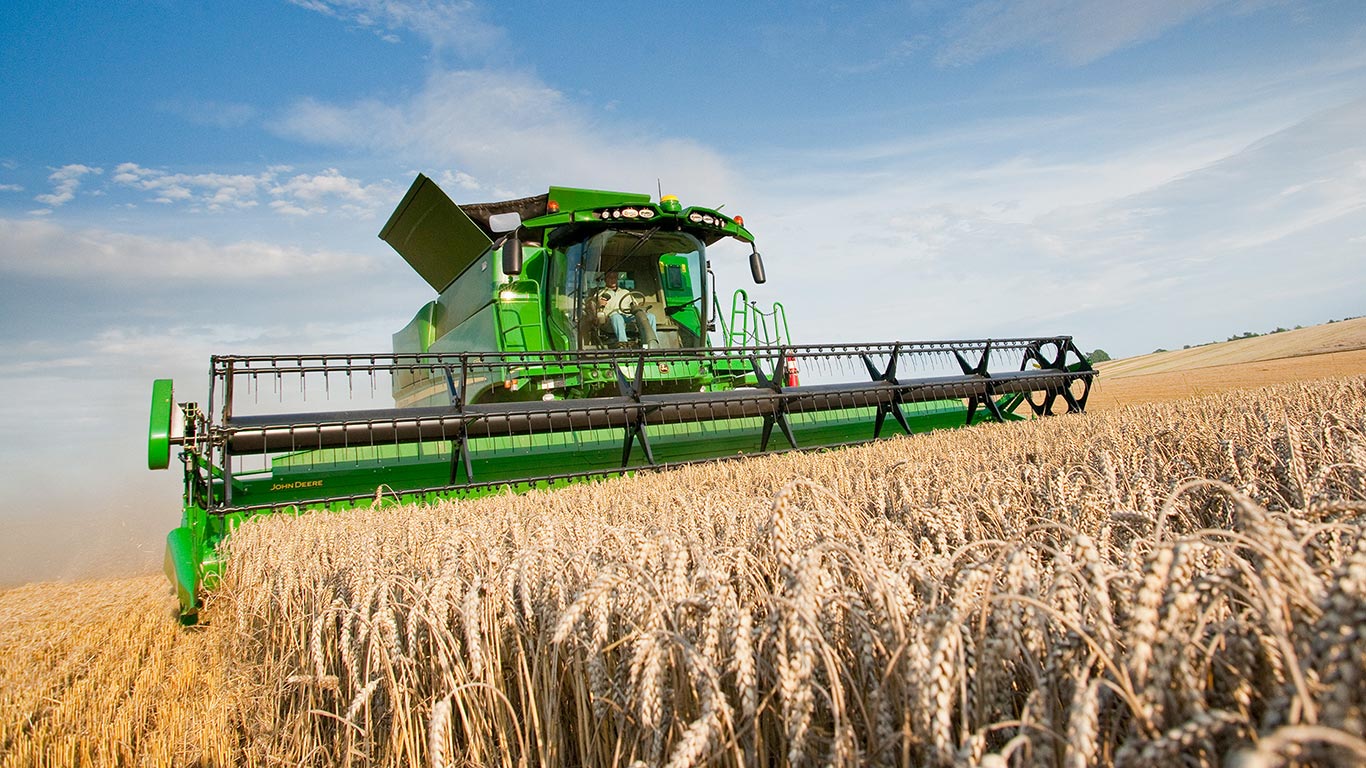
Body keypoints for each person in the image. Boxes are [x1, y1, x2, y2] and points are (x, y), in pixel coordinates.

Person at [595, 271, 658, 347]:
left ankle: (650, 343)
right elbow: (592, 306)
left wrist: (639, 307)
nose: (613, 279)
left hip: (627, 317)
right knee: (616, 317)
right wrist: (598, 304)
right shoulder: (601, 293)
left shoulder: (625, 292)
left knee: (650, 316)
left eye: (615, 277)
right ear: (605, 279)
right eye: (610, 277)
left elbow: (635, 305)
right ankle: (623, 343)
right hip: (610, 320)